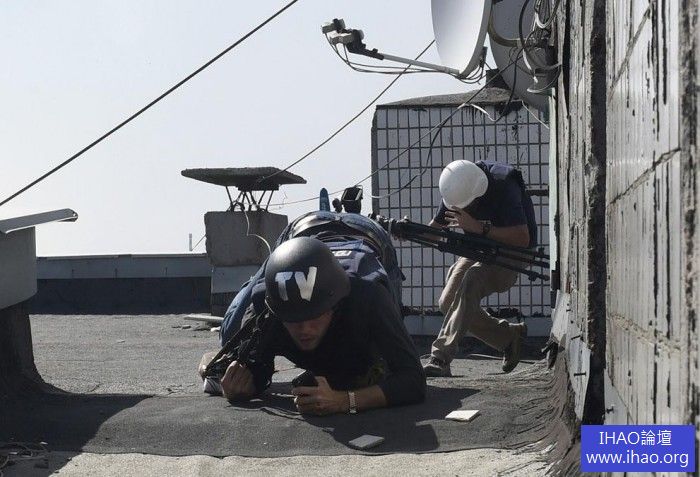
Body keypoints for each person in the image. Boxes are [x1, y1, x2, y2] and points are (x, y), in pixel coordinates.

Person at [199, 212, 426, 416]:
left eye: (314, 316)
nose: (305, 329)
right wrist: (241, 385)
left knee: (375, 359)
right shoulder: (266, 308)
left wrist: (345, 401)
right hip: (302, 231)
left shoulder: (368, 296)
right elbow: (255, 370)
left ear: (335, 306)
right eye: (293, 320)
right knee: (230, 336)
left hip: (368, 234)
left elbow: (412, 379)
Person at [423, 159, 538, 377]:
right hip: (481, 250)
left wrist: (479, 228)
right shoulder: (458, 186)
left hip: (513, 252)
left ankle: (440, 358)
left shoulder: (504, 185)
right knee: (448, 301)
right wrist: (406, 230)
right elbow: (434, 229)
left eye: (467, 206)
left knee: (472, 279)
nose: (462, 210)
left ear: (478, 193)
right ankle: (508, 337)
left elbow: (522, 238)